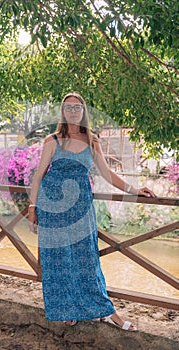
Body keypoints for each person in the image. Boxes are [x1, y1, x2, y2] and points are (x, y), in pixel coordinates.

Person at [28, 92, 155, 330]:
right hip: (53, 207)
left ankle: (107, 312)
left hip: (81, 209)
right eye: (68, 107)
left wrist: (134, 189)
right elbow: (39, 176)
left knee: (86, 259)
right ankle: (67, 308)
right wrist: (33, 208)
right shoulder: (52, 140)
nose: (73, 111)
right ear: (63, 112)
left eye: (77, 107)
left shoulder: (92, 140)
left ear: (83, 111)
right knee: (58, 260)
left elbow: (107, 174)